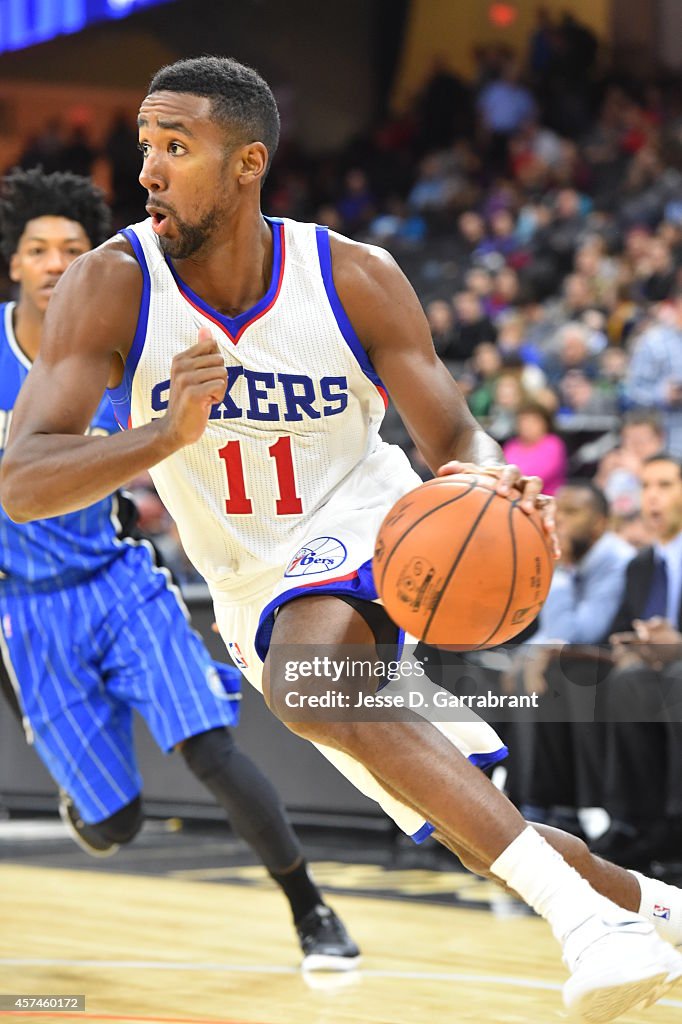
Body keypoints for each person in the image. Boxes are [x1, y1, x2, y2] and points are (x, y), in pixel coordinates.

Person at [2, 57, 682, 1021]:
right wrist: (160, 436)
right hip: (246, 586)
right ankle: (655, 913)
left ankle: (588, 930)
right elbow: (22, 482)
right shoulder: (110, 287)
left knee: (309, 669)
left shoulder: (352, 276)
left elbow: (453, 433)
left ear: (248, 164)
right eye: (146, 147)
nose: (147, 169)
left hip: (367, 527)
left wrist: (486, 472)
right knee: (474, 825)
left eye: (176, 148)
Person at [0, 165, 359, 972]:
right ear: (14, 263)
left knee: (210, 744)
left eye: (74, 247)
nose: (58, 263)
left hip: (118, 580)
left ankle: (313, 911)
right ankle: (85, 795)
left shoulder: (118, 342)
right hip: (25, 608)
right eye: (39, 249)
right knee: (113, 826)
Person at [510, 481, 634, 832]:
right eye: (557, 510)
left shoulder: (616, 559)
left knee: (555, 674)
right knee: (513, 669)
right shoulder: (581, 557)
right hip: (580, 664)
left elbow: (583, 630)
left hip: (609, 667)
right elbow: (551, 634)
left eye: (572, 512)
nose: (559, 520)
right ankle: (526, 798)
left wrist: (559, 570)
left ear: (598, 524)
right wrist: (526, 655)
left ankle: (558, 804)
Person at [591, 453, 682, 870]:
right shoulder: (641, 564)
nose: (652, 497)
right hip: (650, 673)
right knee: (621, 678)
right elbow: (619, 626)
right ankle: (634, 822)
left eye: (664, 485)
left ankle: (674, 825)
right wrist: (629, 644)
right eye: (646, 486)